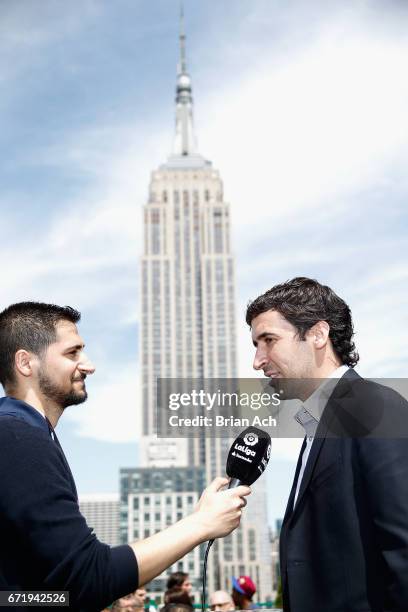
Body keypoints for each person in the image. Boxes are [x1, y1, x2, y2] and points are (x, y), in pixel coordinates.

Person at [0, 302, 251, 611]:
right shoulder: (17, 437)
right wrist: (200, 524)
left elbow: (46, 592)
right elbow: (87, 578)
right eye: (72, 353)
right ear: (26, 363)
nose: (88, 365)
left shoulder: (23, 434)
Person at [246, 277, 408, 612]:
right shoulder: (315, 426)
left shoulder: (375, 409)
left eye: (269, 341)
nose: (258, 361)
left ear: (318, 335)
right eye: (256, 345)